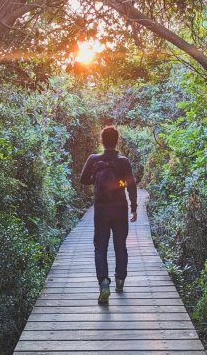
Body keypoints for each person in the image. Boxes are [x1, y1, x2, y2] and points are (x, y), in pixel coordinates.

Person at [80, 126, 138, 305]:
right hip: (120, 209)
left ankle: (104, 283)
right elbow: (131, 185)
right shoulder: (124, 162)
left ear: (101, 141)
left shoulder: (93, 159)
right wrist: (134, 207)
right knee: (120, 245)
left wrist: (95, 179)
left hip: (101, 210)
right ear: (117, 141)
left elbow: (83, 180)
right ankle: (120, 281)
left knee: (100, 247)